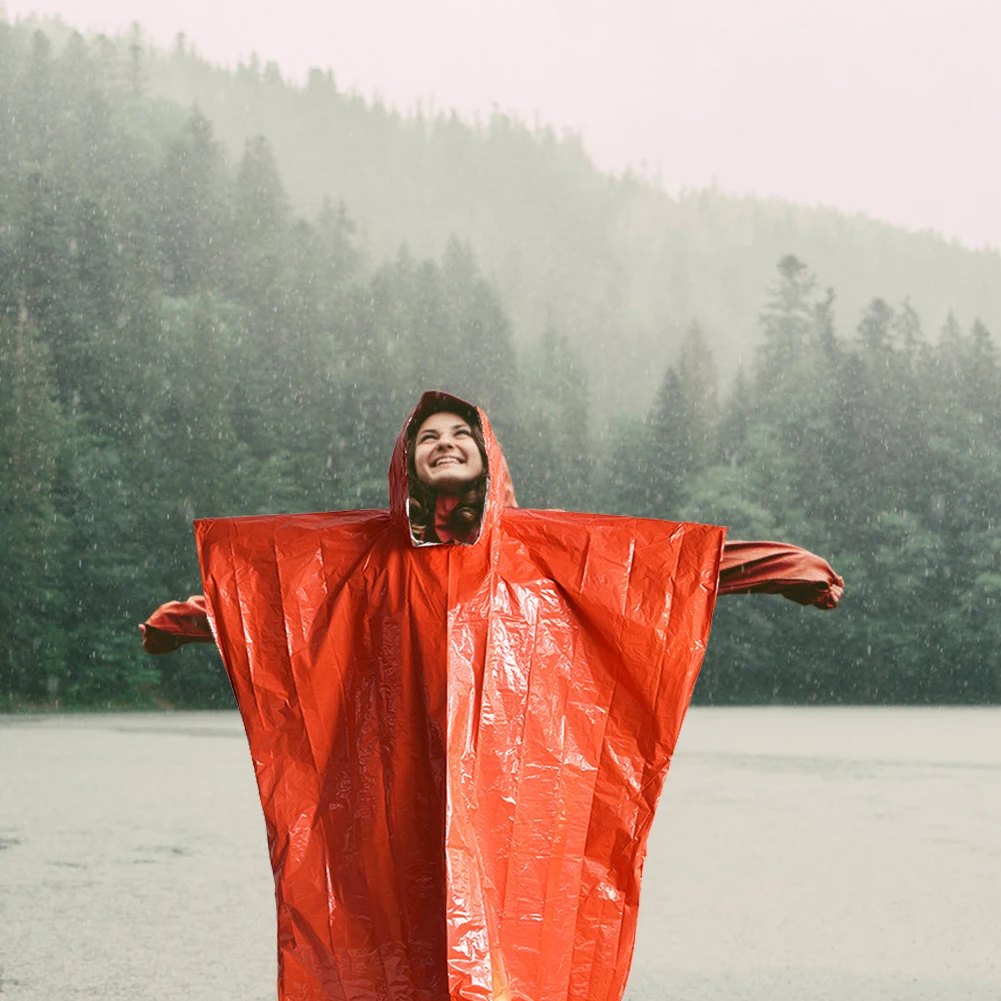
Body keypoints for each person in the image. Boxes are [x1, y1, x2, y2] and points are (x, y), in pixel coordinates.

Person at [142, 391, 842, 1001]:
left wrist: (779, 567)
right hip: (399, 797)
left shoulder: (540, 551)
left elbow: (653, 572)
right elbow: (271, 600)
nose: (445, 444)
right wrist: (183, 621)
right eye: (428, 437)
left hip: (508, 800)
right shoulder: (364, 556)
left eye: (460, 434)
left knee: (508, 947)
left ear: (487, 457)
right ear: (407, 462)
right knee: (401, 943)